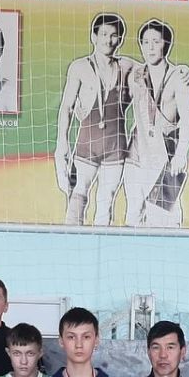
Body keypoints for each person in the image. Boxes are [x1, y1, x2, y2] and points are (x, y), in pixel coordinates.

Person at [55, 13, 137, 226]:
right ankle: (71, 241)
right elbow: (66, 107)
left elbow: (156, 69)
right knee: (77, 195)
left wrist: (182, 71)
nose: (108, 40)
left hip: (115, 147)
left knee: (106, 202)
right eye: (103, 34)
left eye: (114, 35)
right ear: (93, 36)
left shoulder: (127, 66)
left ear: (120, 39)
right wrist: (62, 142)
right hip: (87, 145)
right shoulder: (80, 67)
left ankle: (102, 244)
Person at [123, 19, 189, 228]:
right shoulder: (136, 74)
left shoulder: (178, 77)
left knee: (165, 219)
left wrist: (181, 154)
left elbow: (188, 120)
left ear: (166, 44)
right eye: (145, 42)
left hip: (165, 155)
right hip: (137, 153)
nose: (150, 47)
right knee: (133, 214)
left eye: (156, 41)